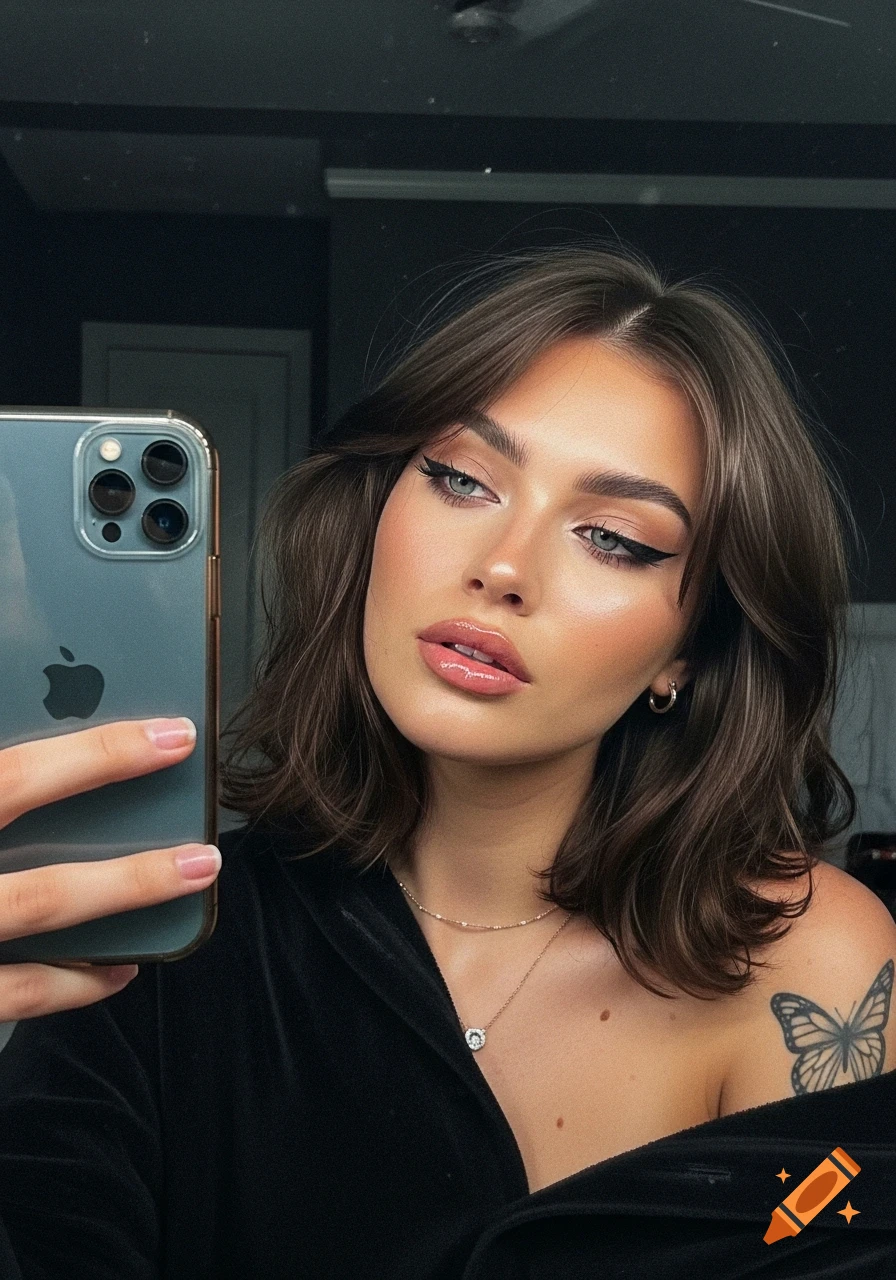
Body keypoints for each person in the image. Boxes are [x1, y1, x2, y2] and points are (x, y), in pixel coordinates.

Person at [0, 242, 894, 1278]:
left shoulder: (808, 959)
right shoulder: (161, 939)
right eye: (460, 478)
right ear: (377, 512)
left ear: (687, 647)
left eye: (611, 536)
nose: (503, 567)